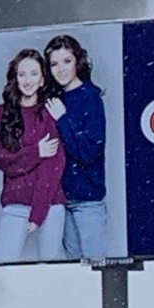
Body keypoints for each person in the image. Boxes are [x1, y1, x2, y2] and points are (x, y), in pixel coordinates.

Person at [0, 49, 66, 261]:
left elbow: (53, 167)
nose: (27, 81)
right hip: (15, 204)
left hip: (49, 205)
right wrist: (36, 151)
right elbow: (1, 159)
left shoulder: (51, 111)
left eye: (33, 74)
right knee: (4, 269)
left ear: (42, 79)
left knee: (49, 273)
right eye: (22, 74)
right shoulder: (2, 113)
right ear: (15, 78)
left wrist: (38, 214)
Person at [44, 34, 108, 261]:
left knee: (94, 266)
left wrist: (63, 119)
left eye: (67, 61)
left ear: (78, 61)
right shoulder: (52, 98)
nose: (60, 69)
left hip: (87, 199)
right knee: (72, 272)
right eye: (54, 64)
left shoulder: (90, 98)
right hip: (60, 199)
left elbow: (90, 152)